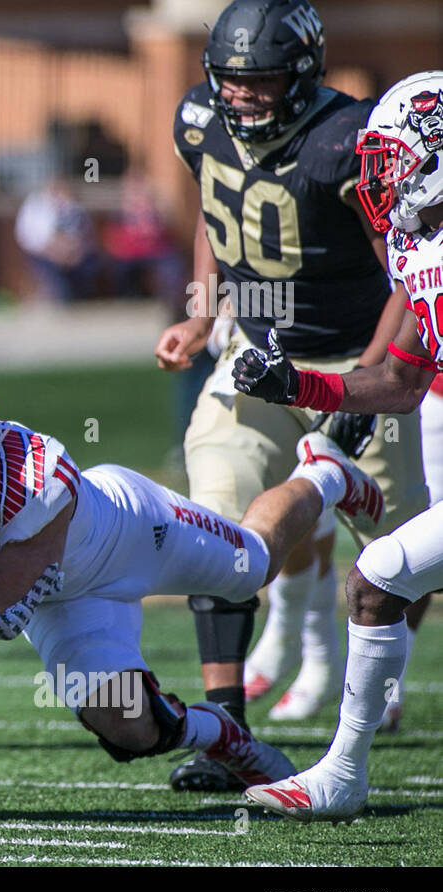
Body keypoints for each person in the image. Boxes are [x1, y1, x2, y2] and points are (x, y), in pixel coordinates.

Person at [0, 361, 383, 790]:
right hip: (62, 603)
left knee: (252, 565)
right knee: (127, 729)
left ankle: (324, 470)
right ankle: (220, 735)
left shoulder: (35, 476)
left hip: (132, 536)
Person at [152, 0, 429, 792]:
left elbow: (405, 274)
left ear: (303, 76)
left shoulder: (351, 141)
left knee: (400, 553)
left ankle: (373, 690)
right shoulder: (199, 119)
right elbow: (215, 208)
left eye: (260, 81)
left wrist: (364, 384)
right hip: (258, 357)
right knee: (216, 530)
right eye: (231, 81)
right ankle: (226, 732)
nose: (240, 97)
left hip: (358, 359)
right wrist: (203, 315)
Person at [233, 71, 443, 821]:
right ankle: (344, 774)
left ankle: (344, 774)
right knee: (377, 578)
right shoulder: (424, 249)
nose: (377, 179)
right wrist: (300, 387)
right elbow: (398, 379)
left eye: (392, 159)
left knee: (379, 575)